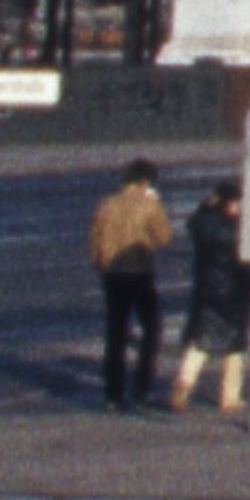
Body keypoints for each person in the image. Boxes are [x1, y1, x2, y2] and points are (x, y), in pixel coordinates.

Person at [87, 160, 172, 411]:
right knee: (152, 329)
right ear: (146, 182)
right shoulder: (149, 205)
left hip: (113, 273)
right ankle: (141, 388)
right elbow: (164, 236)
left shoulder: (106, 205)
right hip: (140, 271)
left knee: (116, 333)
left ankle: (113, 393)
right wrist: (156, 205)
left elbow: (94, 241)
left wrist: (101, 266)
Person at [178, 179, 250, 416]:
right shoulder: (234, 230)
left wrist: (205, 206)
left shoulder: (203, 223)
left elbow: (195, 222)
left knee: (201, 342)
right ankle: (230, 397)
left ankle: (182, 388)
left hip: (207, 289)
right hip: (233, 291)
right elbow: (244, 252)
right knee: (235, 345)